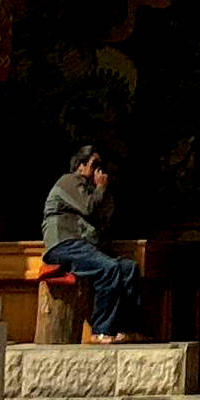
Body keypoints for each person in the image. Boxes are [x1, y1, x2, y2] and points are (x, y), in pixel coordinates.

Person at [41, 143, 147, 340]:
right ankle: (101, 330)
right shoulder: (69, 181)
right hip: (64, 244)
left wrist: (103, 191)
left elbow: (104, 219)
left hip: (85, 246)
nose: (98, 170)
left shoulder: (95, 190)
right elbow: (88, 208)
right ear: (80, 166)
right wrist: (100, 188)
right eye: (94, 164)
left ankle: (127, 329)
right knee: (109, 269)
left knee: (128, 268)